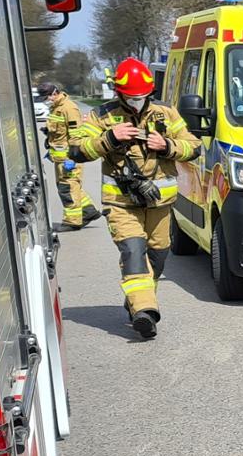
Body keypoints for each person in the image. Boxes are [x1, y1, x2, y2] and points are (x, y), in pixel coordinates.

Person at [68, 59, 201, 340]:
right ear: (119, 93)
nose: (137, 102)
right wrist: (109, 139)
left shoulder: (166, 113)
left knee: (158, 254)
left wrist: (167, 146)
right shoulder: (102, 116)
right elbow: (78, 150)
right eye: (131, 97)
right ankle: (145, 312)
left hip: (160, 204)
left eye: (141, 97)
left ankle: (137, 301)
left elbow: (194, 147)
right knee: (133, 251)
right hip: (121, 203)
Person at [39, 82, 98, 231]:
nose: (47, 100)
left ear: (55, 93)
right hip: (59, 158)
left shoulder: (69, 108)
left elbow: (76, 134)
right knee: (70, 186)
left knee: (67, 188)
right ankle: (88, 211)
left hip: (68, 158)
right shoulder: (56, 108)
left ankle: (72, 221)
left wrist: (73, 157)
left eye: (47, 97)